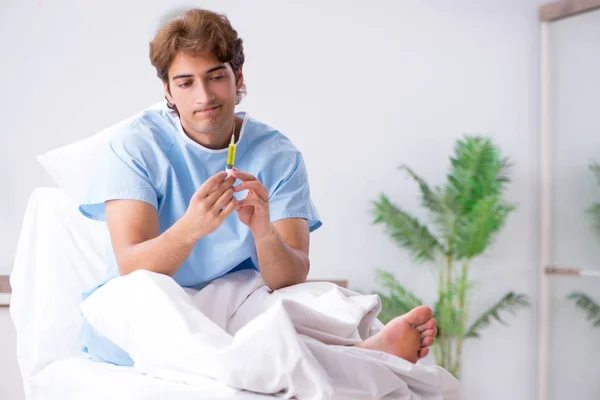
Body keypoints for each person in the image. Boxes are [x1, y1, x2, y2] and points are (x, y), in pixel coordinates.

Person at [78, 7, 437, 368]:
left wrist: (264, 231)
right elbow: (132, 267)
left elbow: (292, 277)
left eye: (216, 76)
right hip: (147, 304)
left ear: (238, 77)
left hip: (233, 303)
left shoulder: (277, 155)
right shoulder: (136, 146)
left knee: (304, 301)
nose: (203, 96)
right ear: (168, 92)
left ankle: (340, 352)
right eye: (185, 82)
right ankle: (353, 358)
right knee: (158, 304)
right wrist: (191, 229)